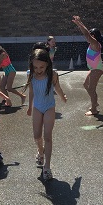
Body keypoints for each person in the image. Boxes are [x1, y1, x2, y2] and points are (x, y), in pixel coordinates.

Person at [25, 48, 67, 181]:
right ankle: (40, 151)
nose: (38, 70)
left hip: (49, 107)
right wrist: (30, 107)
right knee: (37, 136)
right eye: (35, 67)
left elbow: (58, 88)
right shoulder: (30, 74)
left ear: (48, 64)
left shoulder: (52, 75)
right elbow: (31, 91)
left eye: (41, 67)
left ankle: (47, 167)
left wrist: (63, 96)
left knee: (47, 136)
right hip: (37, 107)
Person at [72, 15, 103, 116]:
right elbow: (87, 34)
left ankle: (94, 108)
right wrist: (80, 23)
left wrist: (80, 24)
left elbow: (86, 34)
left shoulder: (95, 43)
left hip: (97, 69)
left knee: (91, 88)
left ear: (94, 36)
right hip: (92, 69)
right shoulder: (92, 44)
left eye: (91, 35)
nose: (89, 37)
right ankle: (95, 102)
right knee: (86, 85)